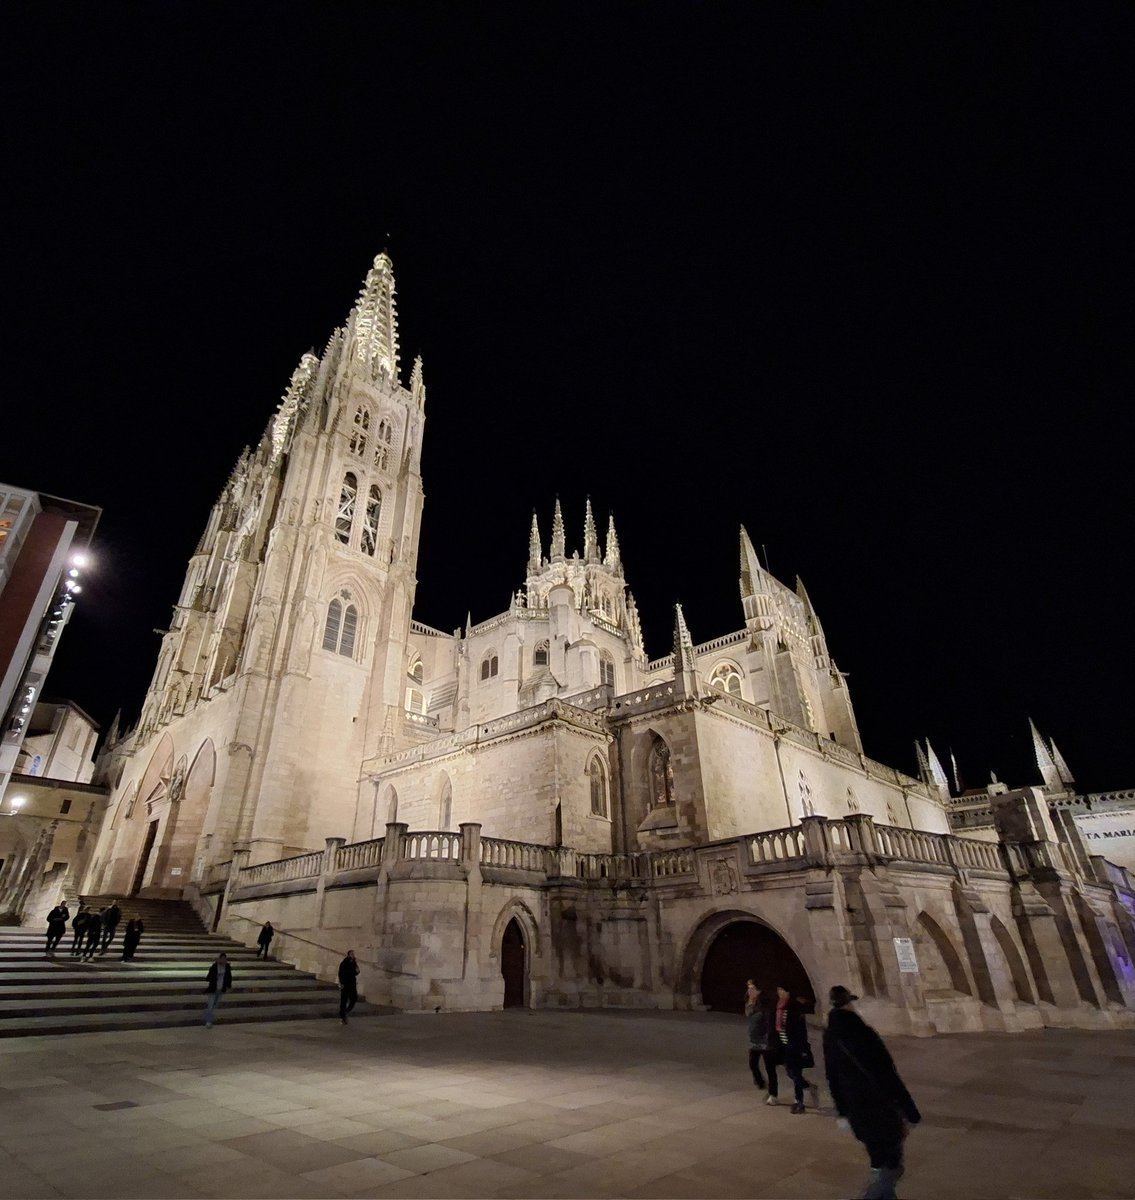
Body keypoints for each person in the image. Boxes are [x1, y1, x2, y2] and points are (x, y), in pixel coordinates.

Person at [823, 986, 921, 1200]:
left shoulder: (830, 1036)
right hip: (880, 1106)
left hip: (855, 1109)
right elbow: (886, 1074)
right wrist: (909, 1109)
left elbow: (832, 1077)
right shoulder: (863, 1033)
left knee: (878, 1158)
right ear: (849, 1004)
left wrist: (841, 1111)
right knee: (892, 1163)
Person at [774, 984, 820, 1114]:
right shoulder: (779, 1006)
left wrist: (802, 1047)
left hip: (794, 1046)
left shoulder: (794, 1007)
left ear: (788, 992)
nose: (780, 993)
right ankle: (808, 1087)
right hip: (783, 1045)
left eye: (782, 990)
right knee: (790, 1073)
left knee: (795, 1073)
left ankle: (799, 1101)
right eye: (778, 990)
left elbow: (800, 1030)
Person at [744, 980, 778, 1102]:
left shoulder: (764, 1004)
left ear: (759, 990)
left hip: (766, 1040)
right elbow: (749, 1016)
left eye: (752, 988)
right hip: (755, 1040)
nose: (750, 991)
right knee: (753, 1063)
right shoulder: (750, 1002)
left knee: (770, 1068)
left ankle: (773, 1094)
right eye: (748, 988)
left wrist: (769, 1039)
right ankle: (761, 1083)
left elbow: (769, 1022)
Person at [204, 952, 232, 1027]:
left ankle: (208, 1014)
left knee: (215, 1005)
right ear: (219, 959)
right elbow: (208, 977)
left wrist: (228, 986)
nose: (223, 961)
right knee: (210, 1005)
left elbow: (229, 978)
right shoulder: (214, 967)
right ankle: (208, 1021)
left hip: (220, 989)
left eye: (224, 959)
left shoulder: (227, 967)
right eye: (222, 959)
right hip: (213, 989)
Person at [338, 949, 360, 1024]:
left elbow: (356, 972)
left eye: (354, 954)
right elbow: (340, 973)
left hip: (352, 984)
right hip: (345, 984)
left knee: (354, 998)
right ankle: (342, 1017)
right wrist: (341, 983)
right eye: (352, 954)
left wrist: (357, 970)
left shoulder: (354, 963)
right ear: (348, 955)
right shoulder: (344, 963)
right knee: (343, 1001)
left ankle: (346, 1011)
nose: (353, 955)